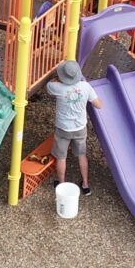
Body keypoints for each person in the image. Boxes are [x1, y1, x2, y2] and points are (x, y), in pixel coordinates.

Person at [42, 59, 104, 195]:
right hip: (80, 127)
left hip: (63, 128)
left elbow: (47, 86)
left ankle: (62, 184)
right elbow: (99, 105)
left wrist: (57, 80)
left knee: (61, 157)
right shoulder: (85, 87)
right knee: (82, 155)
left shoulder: (57, 88)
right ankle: (86, 185)